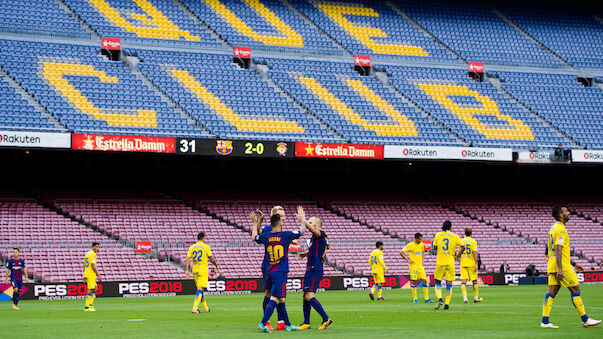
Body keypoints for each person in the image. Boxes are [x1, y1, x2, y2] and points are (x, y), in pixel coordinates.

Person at [541, 206, 601, 329]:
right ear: (560, 214)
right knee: (575, 289)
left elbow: (549, 250)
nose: (569, 213)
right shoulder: (561, 229)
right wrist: (561, 268)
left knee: (551, 292)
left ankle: (545, 321)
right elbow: (558, 249)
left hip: (552, 265)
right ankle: (585, 320)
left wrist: (574, 263)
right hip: (561, 266)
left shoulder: (553, 228)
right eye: (566, 211)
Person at [253, 213, 303, 333]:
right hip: (280, 271)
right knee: (275, 298)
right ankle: (263, 323)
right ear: (280, 223)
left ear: (271, 224)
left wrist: (255, 224)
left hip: (269, 270)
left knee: (281, 300)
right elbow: (302, 231)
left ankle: (288, 324)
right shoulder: (286, 235)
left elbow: (254, 237)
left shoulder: (267, 236)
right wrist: (303, 219)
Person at [250, 206, 290, 331]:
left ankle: (281, 321)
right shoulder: (269, 228)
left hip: (279, 267)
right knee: (269, 294)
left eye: (283, 215)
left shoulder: (282, 231)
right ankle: (266, 321)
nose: (283, 217)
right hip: (269, 266)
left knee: (281, 296)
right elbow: (257, 233)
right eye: (280, 215)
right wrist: (258, 221)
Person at [296, 206, 333, 330]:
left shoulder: (320, 233)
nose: (308, 225)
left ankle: (325, 318)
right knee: (305, 295)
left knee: (309, 295)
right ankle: (306, 322)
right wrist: (305, 253)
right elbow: (317, 249)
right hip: (310, 267)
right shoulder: (315, 238)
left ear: (317, 224)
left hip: (315, 268)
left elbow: (316, 232)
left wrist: (303, 220)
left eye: (311, 223)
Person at [185, 231, 220, 314]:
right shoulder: (205, 246)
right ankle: (194, 308)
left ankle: (206, 308)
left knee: (200, 289)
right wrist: (216, 265)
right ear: (203, 238)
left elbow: (187, 259)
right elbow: (211, 258)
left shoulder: (192, 247)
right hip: (202, 269)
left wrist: (186, 270)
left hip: (194, 270)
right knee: (200, 289)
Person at [433, 220, 465, 311]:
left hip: (440, 262)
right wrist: (457, 256)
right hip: (450, 262)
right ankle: (447, 304)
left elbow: (435, 247)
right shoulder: (455, 236)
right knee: (449, 283)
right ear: (451, 227)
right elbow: (463, 247)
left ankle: (439, 298)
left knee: (437, 281)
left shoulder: (438, 235)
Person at [400, 233, 433, 303]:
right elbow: (402, 252)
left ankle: (426, 299)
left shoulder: (421, 244)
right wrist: (407, 260)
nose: (421, 240)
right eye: (420, 239)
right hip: (413, 266)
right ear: (416, 238)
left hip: (420, 266)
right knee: (414, 281)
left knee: (425, 281)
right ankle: (415, 299)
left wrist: (422, 261)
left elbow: (423, 252)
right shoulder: (410, 245)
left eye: (421, 239)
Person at [460, 228, 482, 303]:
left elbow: (459, 251)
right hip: (471, 263)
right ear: (471, 233)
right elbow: (474, 253)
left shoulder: (461, 241)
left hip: (463, 263)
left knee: (464, 281)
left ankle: (465, 298)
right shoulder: (473, 241)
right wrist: (476, 264)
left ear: (464, 233)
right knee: (474, 280)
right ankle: (476, 298)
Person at [84, 242, 101, 311]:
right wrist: (98, 275)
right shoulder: (92, 254)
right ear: (93, 247)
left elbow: (85, 264)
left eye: (98, 247)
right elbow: (93, 266)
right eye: (96, 247)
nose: (98, 248)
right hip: (91, 274)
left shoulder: (87, 253)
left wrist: (84, 274)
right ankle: (87, 306)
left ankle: (90, 304)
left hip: (87, 273)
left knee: (95, 288)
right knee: (90, 289)